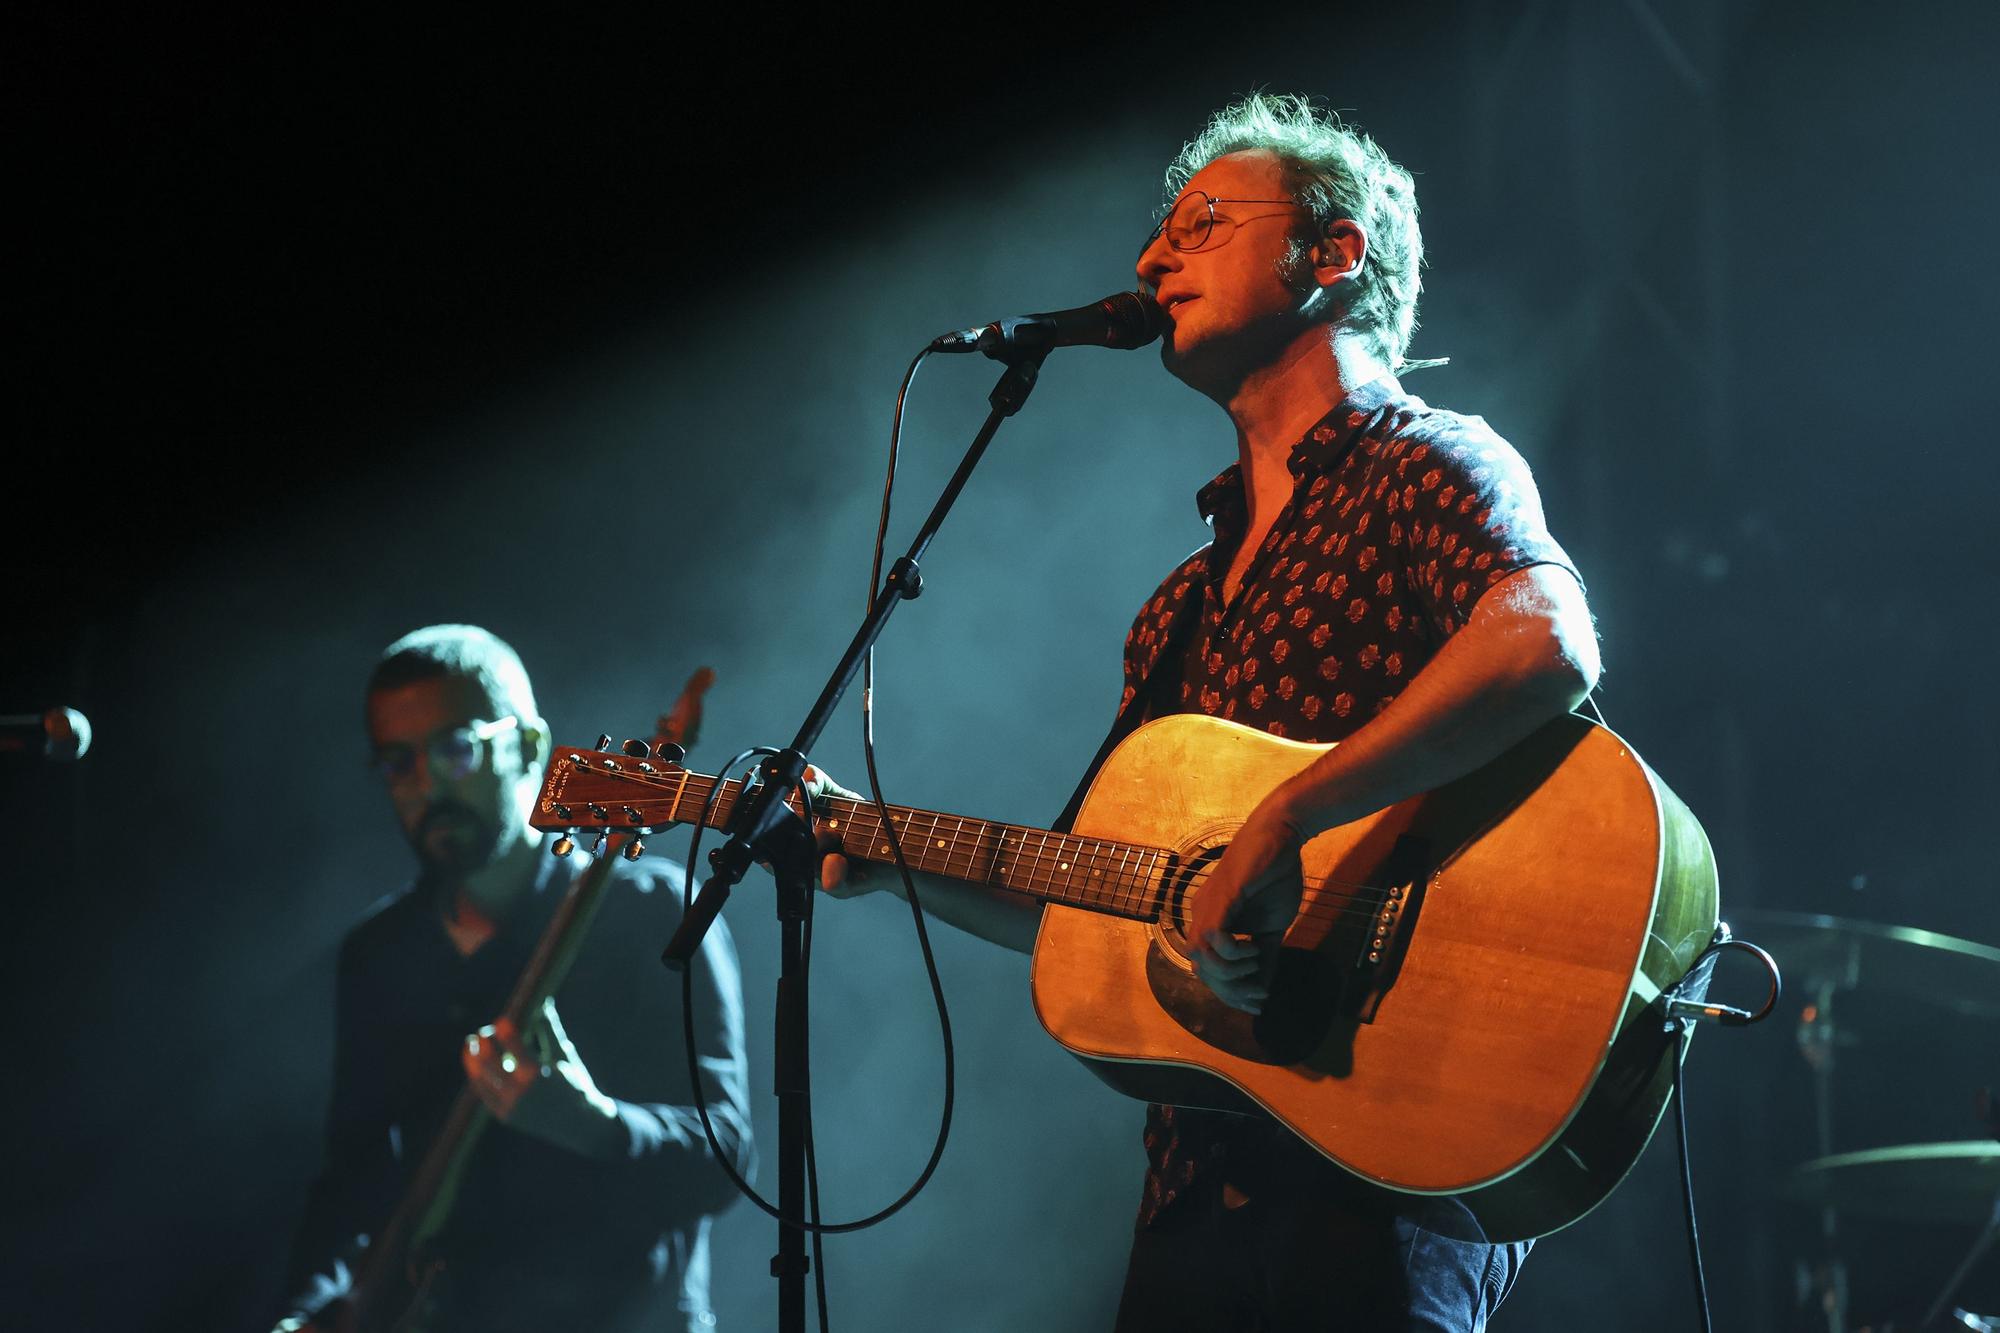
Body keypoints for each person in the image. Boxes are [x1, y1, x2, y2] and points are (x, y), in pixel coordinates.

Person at [815, 94, 1600, 1330]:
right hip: (1197, 1187)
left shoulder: (1430, 463)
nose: (1146, 261)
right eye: (1157, 236)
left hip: (1380, 1161)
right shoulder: (1178, 602)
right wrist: (884, 854)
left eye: (1201, 225)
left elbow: (1546, 640)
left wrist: (1286, 820)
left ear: (1331, 256)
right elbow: (1090, 895)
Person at [278, 625, 754, 1333]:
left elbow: (727, 1154)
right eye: (398, 762)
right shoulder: (380, 953)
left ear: (530, 746)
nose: (427, 784)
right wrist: (309, 1309)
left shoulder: (651, 911)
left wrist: (600, 1127)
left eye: (455, 748)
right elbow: (356, 1178)